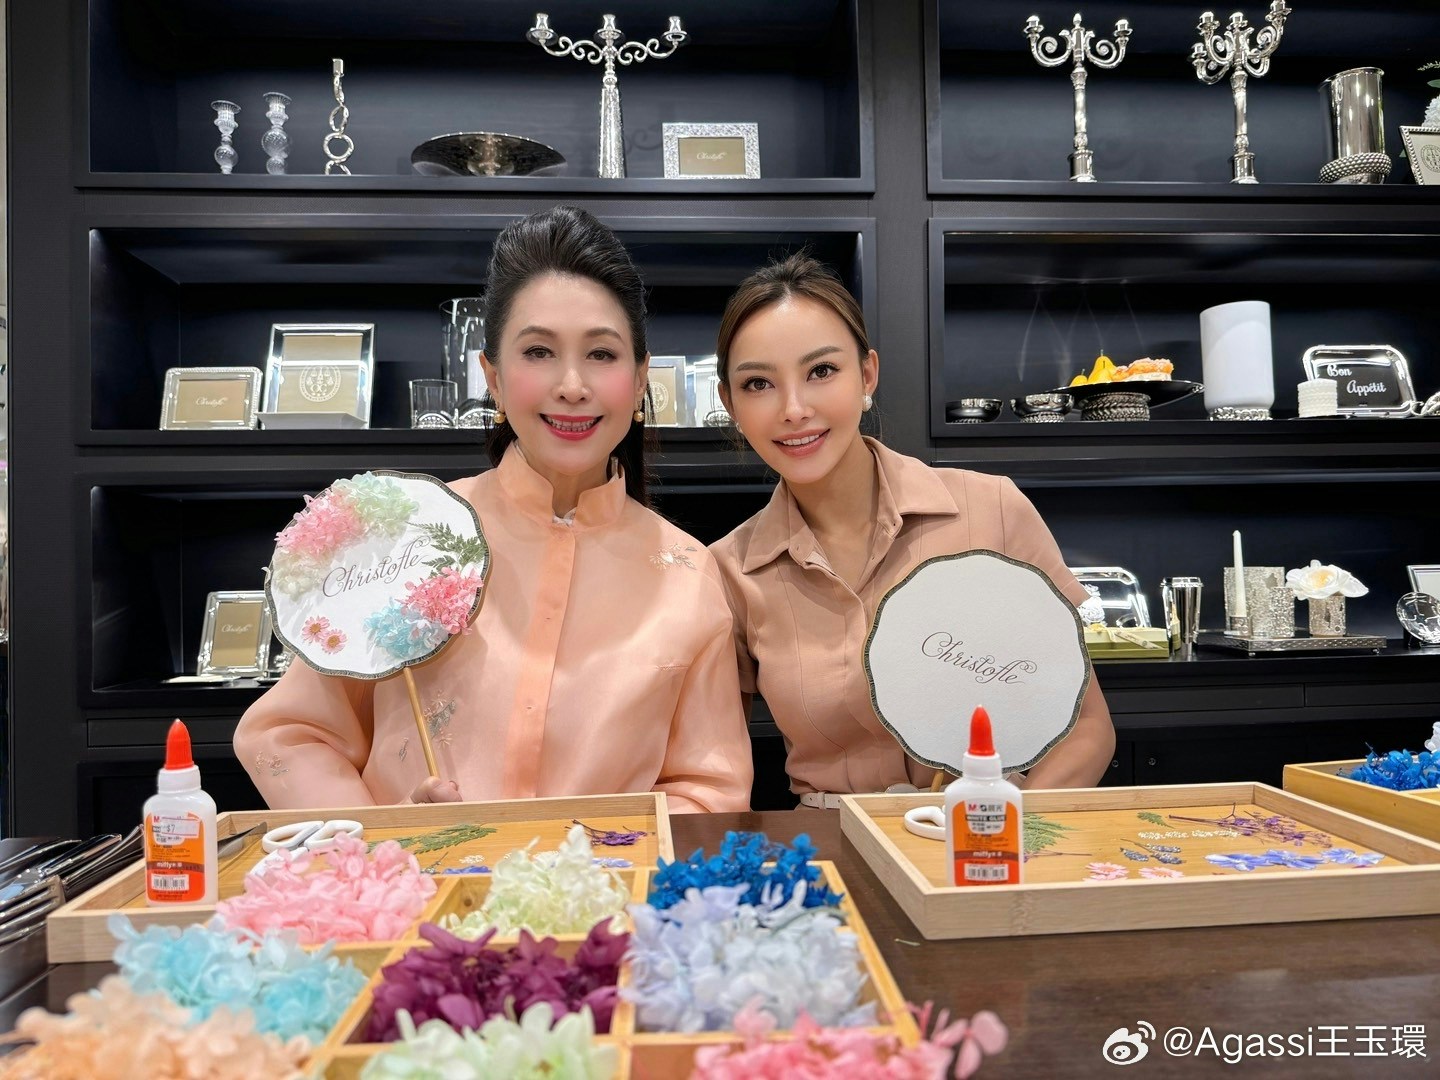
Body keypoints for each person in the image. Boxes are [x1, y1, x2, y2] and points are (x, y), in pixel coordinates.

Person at [234, 206, 753, 812]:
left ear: (641, 380)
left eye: (601, 354)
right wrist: (382, 835)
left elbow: (708, 792)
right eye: (538, 351)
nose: (572, 385)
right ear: (494, 378)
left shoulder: (689, 574)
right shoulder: (407, 535)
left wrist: (584, 857)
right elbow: (291, 734)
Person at [709, 254, 1115, 806]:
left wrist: (1002, 834)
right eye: (758, 383)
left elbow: (1086, 728)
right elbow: (714, 768)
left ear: (867, 375)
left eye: (821, 371)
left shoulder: (992, 510)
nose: (794, 408)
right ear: (730, 404)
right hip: (832, 843)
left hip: (993, 834)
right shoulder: (729, 572)